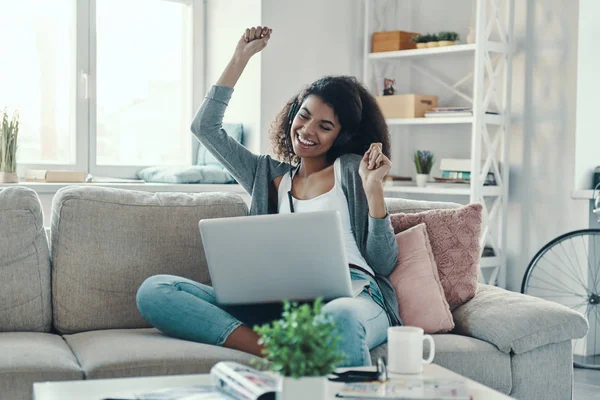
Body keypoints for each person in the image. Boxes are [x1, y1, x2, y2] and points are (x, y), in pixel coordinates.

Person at [136, 26, 401, 368]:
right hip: (280, 304)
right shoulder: (266, 175)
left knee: (340, 320)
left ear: (342, 135)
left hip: (353, 296)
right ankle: (275, 350)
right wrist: (240, 58)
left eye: (324, 126)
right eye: (304, 116)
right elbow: (206, 128)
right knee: (156, 290)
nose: (306, 131)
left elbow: (383, 263)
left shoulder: (352, 170)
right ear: (293, 115)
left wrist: (374, 189)